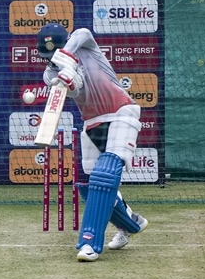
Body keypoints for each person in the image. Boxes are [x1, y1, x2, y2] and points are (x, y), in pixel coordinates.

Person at [35, 23, 148, 261]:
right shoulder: (50, 74)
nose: (51, 60)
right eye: (48, 56)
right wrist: (67, 79)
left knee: (106, 174)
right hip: (92, 122)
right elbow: (75, 90)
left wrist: (66, 56)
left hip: (120, 112)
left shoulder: (84, 44)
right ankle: (131, 223)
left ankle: (89, 243)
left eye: (55, 53)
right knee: (87, 184)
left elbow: (82, 33)